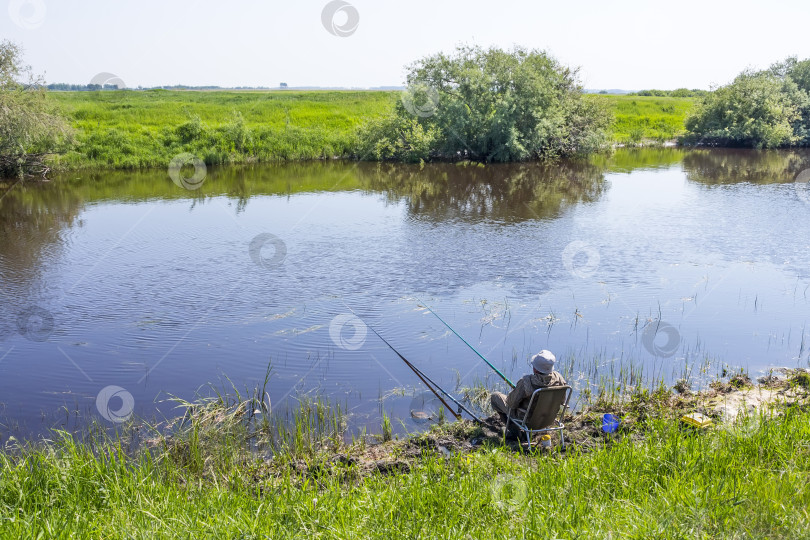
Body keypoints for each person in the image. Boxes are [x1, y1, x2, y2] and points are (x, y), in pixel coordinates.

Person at [490, 350, 566, 422]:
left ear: (535, 369)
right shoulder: (559, 378)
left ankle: (512, 429)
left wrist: (516, 391)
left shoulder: (526, 382)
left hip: (526, 420)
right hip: (548, 418)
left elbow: (511, 403)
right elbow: (562, 401)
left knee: (495, 396)